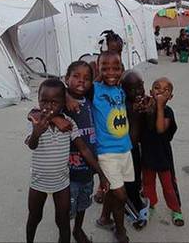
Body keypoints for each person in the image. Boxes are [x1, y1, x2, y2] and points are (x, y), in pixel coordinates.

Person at [25, 79, 90, 243]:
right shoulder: (35, 120)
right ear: (38, 99)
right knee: (34, 216)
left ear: (64, 102)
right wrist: (36, 133)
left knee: (62, 221)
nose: (48, 106)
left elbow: (83, 148)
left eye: (54, 102)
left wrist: (102, 174)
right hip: (38, 182)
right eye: (44, 101)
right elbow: (32, 145)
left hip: (62, 183)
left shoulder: (69, 124)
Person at [64, 61, 110, 243]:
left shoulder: (90, 102)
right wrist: (66, 96)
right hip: (69, 173)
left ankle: (78, 230)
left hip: (88, 171)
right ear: (66, 79)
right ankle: (65, 233)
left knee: (83, 205)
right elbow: (48, 89)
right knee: (67, 208)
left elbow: (98, 80)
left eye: (86, 78)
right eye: (76, 76)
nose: (81, 81)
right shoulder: (62, 103)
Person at [92, 51, 133, 243]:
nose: (111, 72)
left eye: (116, 68)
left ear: (122, 69)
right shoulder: (94, 89)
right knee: (121, 195)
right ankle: (120, 229)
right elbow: (71, 90)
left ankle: (104, 218)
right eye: (105, 68)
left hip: (125, 149)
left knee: (112, 189)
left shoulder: (121, 90)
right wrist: (69, 98)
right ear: (98, 68)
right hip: (107, 153)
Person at [141, 77, 184, 227]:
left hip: (163, 156)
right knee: (148, 184)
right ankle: (150, 205)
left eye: (166, 90)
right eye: (157, 88)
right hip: (147, 155)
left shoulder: (168, 112)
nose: (161, 91)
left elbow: (160, 129)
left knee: (169, 186)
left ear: (170, 97)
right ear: (151, 92)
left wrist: (159, 106)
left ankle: (176, 209)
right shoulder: (145, 108)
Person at [120, 70, 155, 230]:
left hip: (135, 149)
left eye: (140, 86)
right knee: (126, 181)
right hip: (123, 150)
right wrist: (134, 110)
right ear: (124, 90)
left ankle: (135, 200)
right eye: (132, 89)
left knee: (135, 178)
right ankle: (132, 205)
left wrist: (148, 112)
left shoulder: (145, 103)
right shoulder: (123, 105)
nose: (138, 91)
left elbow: (151, 127)